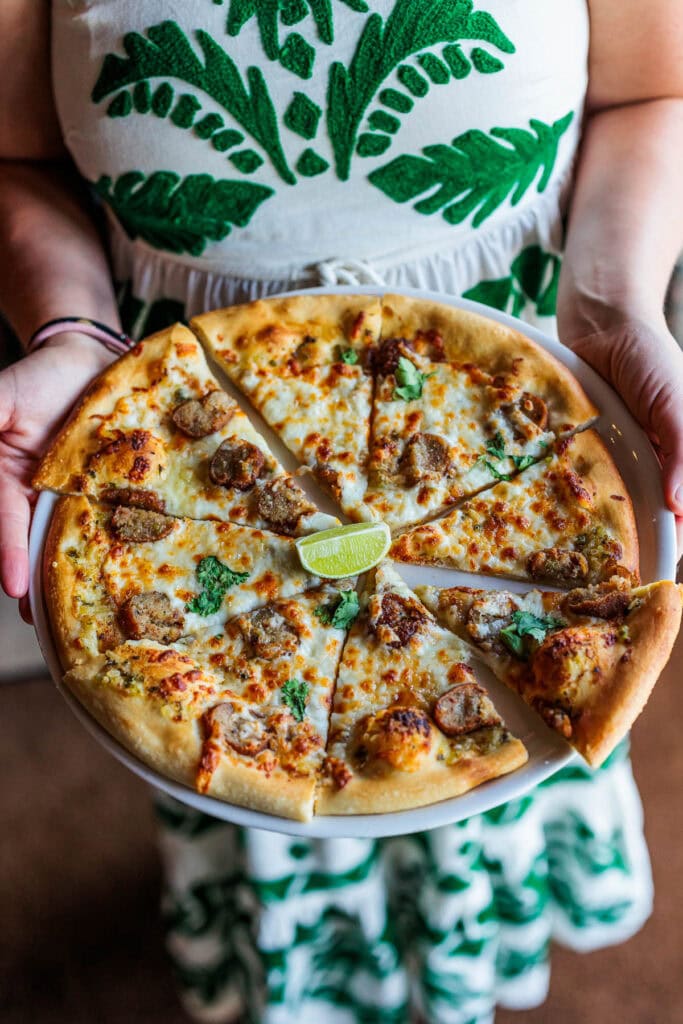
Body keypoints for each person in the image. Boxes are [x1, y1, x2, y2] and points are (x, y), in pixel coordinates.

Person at [1, 2, 682, 1021]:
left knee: (532, 715)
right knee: (249, 813)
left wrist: (617, 309)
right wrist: (67, 325)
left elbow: (648, 91)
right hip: (187, 414)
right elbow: (15, 157)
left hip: (516, 452)